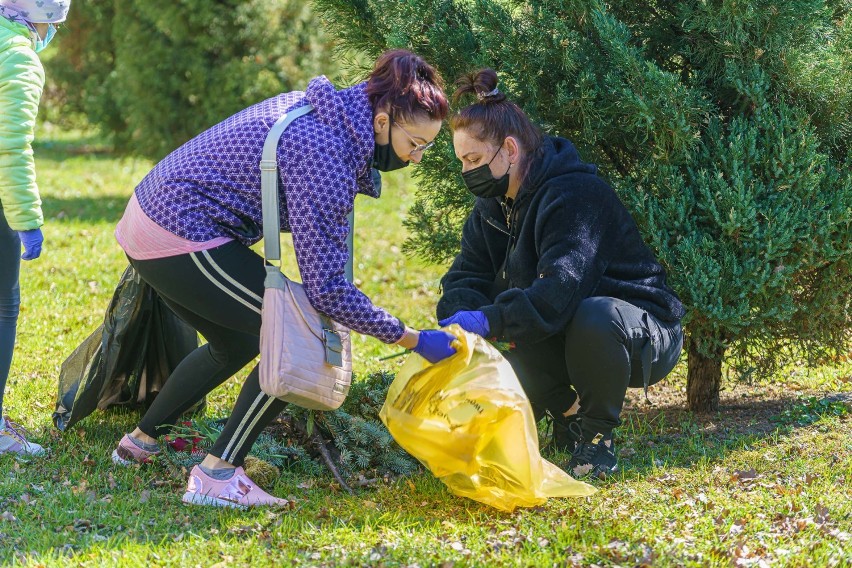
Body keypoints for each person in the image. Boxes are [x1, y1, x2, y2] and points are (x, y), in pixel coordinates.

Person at [111, 49, 456, 507]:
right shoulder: (324, 153)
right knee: (296, 336)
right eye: (416, 143)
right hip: (179, 230)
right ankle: (217, 477)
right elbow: (327, 290)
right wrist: (409, 337)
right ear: (382, 121)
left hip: (150, 216)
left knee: (235, 341)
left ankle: (141, 442)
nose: (415, 158)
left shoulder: (323, 112)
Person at [437, 69, 684, 479]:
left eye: (474, 159)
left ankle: (597, 440)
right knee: (501, 331)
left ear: (509, 150)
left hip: (638, 335)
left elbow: (559, 291)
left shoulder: (576, 195)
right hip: (565, 331)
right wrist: (458, 318)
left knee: (593, 314)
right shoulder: (492, 208)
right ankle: (567, 413)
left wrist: (491, 319)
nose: (467, 172)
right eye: (462, 161)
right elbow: (466, 274)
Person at [0, 0, 71, 456]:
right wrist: (26, 221)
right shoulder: (19, 56)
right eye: (52, 22)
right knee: (4, 302)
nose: (52, 32)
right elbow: (9, 147)